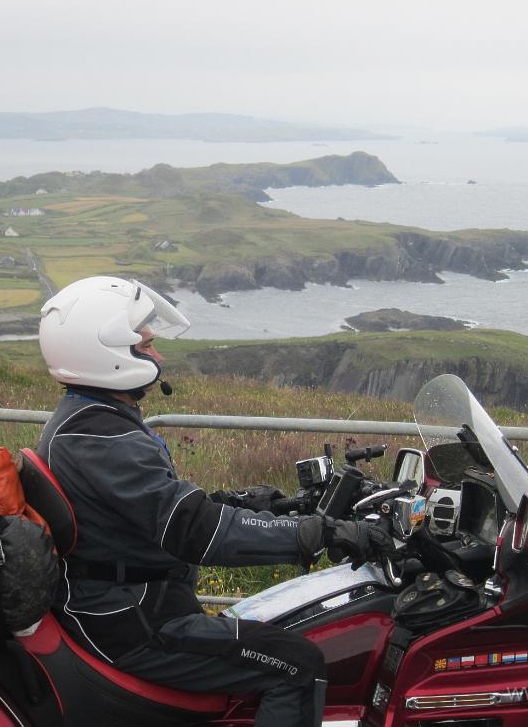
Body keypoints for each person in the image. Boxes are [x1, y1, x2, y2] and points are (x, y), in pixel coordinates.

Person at [36, 276, 390, 727]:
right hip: (133, 622)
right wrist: (319, 532)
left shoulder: (93, 419)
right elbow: (191, 528)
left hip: (133, 602)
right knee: (297, 663)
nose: (158, 354)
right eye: (146, 346)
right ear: (107, 355)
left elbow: (152, 509)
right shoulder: (99, 437)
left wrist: (254, 504)